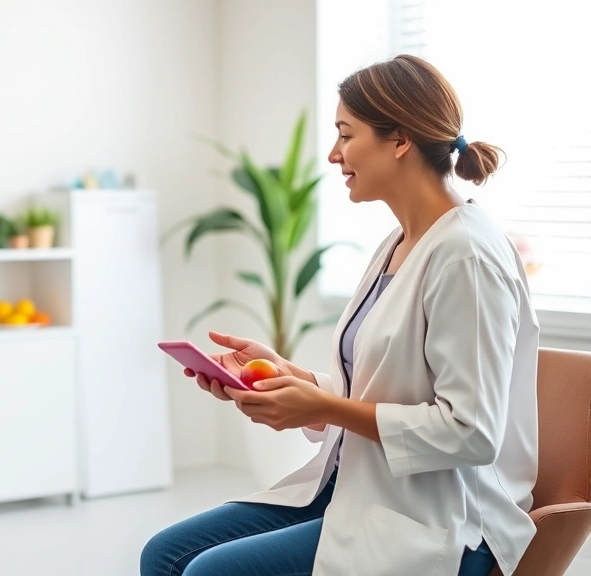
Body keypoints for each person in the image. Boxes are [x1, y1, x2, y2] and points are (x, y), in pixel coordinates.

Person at [141, 54, 539, 576]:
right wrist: (293, 379)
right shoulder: (400, 242)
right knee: (163, 556)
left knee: (207, 572)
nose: (333, 154)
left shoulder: (467, 256)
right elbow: (390, 389)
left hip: (444, 519)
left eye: (346, 135)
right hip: (358, 488)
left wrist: (320, 406)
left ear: (399, 140)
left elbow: (470, 432)